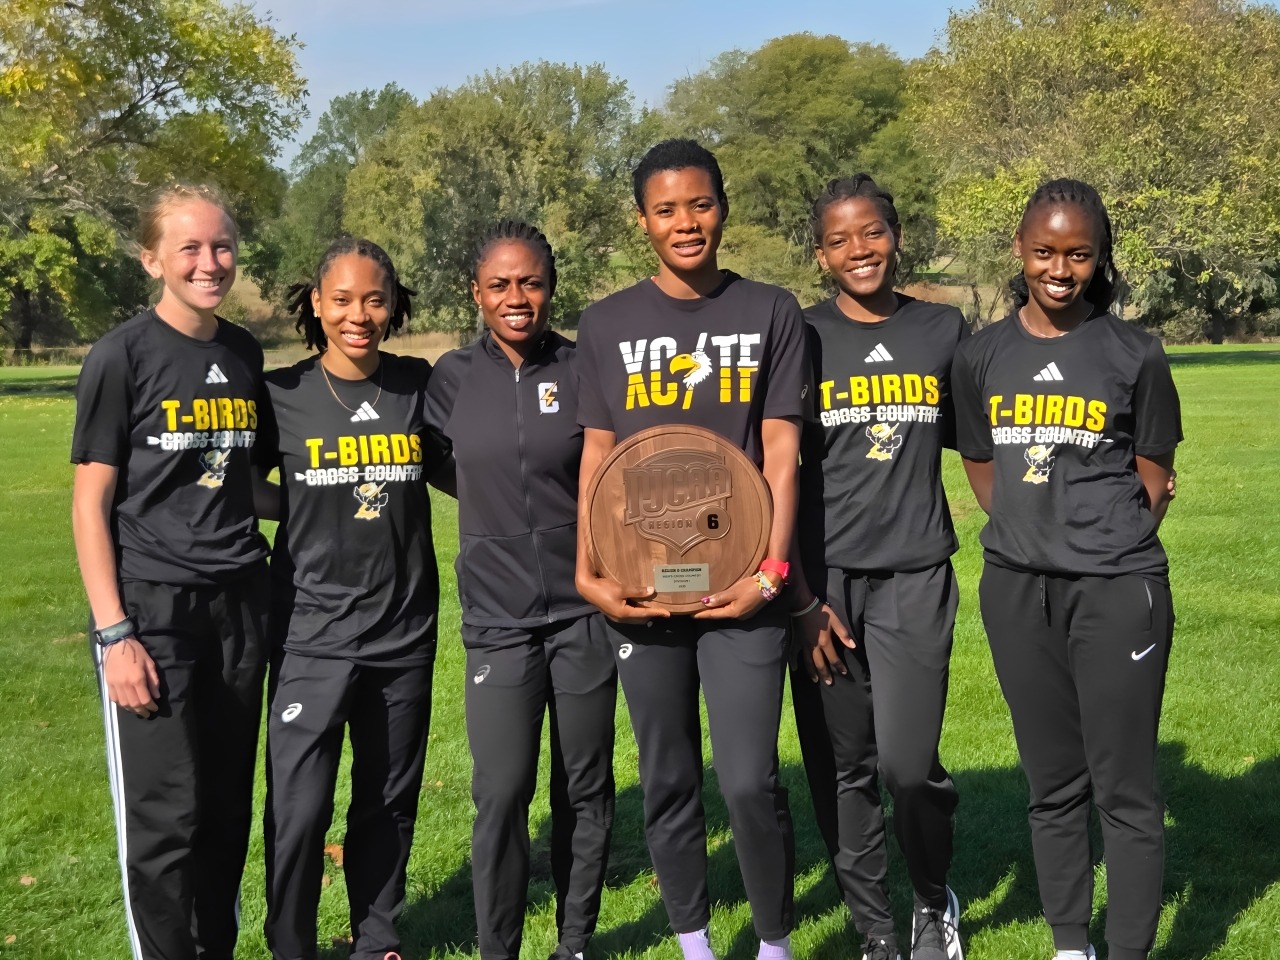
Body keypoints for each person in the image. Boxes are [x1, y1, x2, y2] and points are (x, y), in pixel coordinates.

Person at [573, 139, 815, 960]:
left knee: (749, 779)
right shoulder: (605, 324)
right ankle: (694, 944)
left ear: (724, 205)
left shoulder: (772, 311)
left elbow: (780, 450)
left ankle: (776, 944)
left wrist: (773, 572)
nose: (687, 223)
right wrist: (588, 566)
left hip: (744, 581)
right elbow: (598, 460)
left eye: (700, 204)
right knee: (670, 777)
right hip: (646, 583)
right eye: (667, 209)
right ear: (642, 220)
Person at [950, 179, 1181, 960]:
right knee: (1052, 784)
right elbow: (982, 468)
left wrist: (1099, 540)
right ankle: (1068, 945)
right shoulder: (981, 354)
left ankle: (1127, 951)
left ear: (1099, 259)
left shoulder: (1134, 352)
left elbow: (1153, 473)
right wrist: (1030, 527)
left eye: (1078, 254)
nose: (1060, 268)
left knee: (1124, 788)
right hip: (1017, 590)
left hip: (1118, 590)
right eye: (1045, 252)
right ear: (1019, 251)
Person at [71, 183, 272, 960]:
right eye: (189, 248)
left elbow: (243, 481)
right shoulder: (120, 357)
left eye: (220, 245)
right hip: (152, 615)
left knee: (225, 813)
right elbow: (90, 505)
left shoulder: (243, 353)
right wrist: (115, 634)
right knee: (167, 821)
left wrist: (333, 495)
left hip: (240, 605)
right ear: (152, 258)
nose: (209, 262)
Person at [425, 220, 616, 960]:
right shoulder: (450, 378)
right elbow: (439, 462)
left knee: (585, 787)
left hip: (583, 612)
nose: (516, 297)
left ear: (550, 288)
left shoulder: (581, 367)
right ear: (476, 293)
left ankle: (573, 943)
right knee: (502, 792)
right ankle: (497, 948)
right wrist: (486, 512)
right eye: (500, 285)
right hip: (497, 621)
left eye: (530, 282)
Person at [791, 175, 967, 960]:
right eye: (839, 239)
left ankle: (934, 899)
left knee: (905, 764)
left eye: (871, 233)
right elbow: (776, 466)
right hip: (826, 586)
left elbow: (991, 435)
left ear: (896, 235)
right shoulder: (800, 336)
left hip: (917, 574)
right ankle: (876, 931)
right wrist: (801, 595)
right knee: (845, 767)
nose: (858, 251)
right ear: (820, 254)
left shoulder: (943, 329)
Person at [261, 238, 444, 960]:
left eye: (374, 298)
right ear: (317, 303)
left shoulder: (418, 385)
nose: (358, 314)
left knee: (388, 798)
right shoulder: (281, 394)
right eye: (342, 299)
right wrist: (301, 502)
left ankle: (376, 939)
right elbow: (245, 482)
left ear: (394, 303)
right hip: (311, 631)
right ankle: (291, 945)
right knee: (300, 808)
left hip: (404, 629)